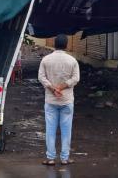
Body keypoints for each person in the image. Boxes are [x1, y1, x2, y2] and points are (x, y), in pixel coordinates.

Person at [38, 34, 80, 166]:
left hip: (51, 100)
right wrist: (61, 87)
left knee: (50, 129)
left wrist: (52, 88)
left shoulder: (46, 59)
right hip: (66, 100)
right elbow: (76, 78)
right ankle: (64, 158)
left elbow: (41, 77)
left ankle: (50, 158)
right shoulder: (72, 60)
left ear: (54, 44)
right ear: (66, 45)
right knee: (66, 130)